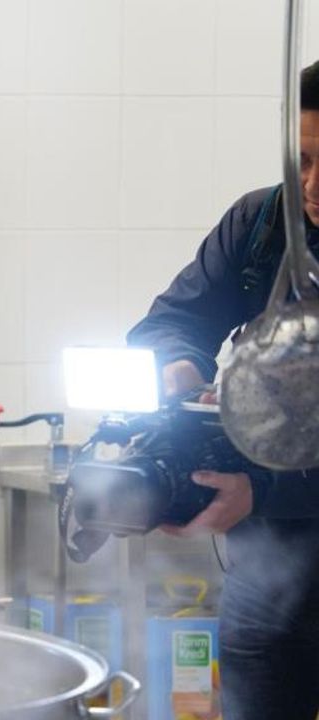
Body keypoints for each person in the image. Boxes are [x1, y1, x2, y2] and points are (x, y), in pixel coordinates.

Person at [127, 60, 319, 720]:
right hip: (268, 577)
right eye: (302, 161)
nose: (312, 186)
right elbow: (170, 323)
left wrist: (263, 490)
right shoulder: (262, 223)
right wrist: (182, 368)